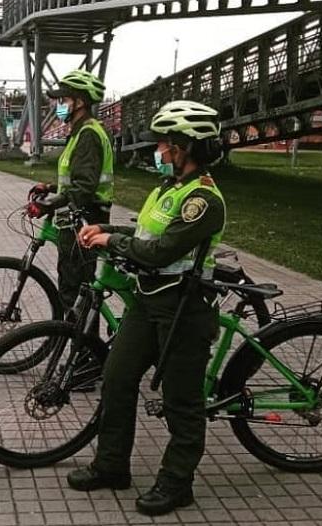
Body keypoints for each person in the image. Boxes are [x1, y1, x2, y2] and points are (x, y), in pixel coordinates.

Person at [70, 100, 227, 517]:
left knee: (182, 401)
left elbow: (158, 251)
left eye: (163, 144)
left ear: (184, 148)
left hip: (183, 310)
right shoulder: (167, 190)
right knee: (117, 377)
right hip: (148, 301)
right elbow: (143, 230)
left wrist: (112, 243)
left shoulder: (203, 201)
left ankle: (178, 484)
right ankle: (111, 466)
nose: (157, 151)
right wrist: (107, 228)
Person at [27, 69, 115, 314]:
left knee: (75, 289)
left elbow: (84, 187)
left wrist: (49, 204)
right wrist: (51, 188)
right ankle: (77, 342)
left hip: (85, 219)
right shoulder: (81, 132)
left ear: (80, 102)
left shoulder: (88, 134)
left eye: (64, 100)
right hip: (77, 216)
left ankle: (81, 346)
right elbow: (79, 178)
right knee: (73, 285)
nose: (59, 106)